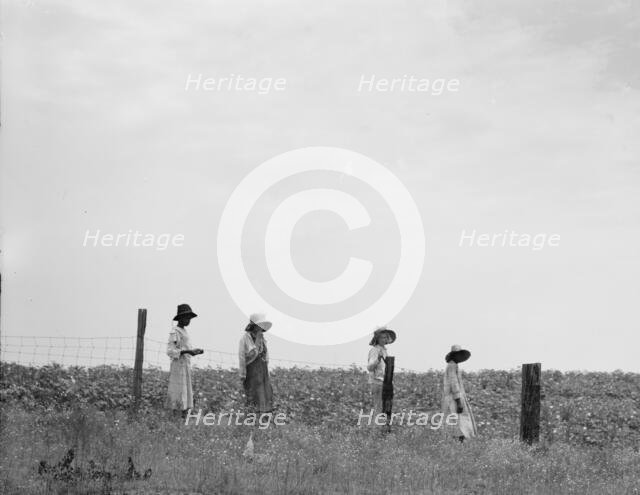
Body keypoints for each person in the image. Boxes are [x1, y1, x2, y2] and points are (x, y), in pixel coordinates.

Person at [166, 304, 203, 418]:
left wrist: (193, 351)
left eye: (189, 318)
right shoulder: (175, 331)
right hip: (178, 365)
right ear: (180, 318)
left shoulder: (184, 331)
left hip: (185, 365)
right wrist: (187, 352)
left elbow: (185, 348)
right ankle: (175, 416)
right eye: (186, 318)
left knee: (185, 390)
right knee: (178, 390)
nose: (188, 320)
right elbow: (170, 351)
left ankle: (183, 416)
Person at [238, 313, 273, 413]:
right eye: (259, 325)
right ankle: (253, 422)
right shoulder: (245, 339)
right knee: (254, 397)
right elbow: (246, 356)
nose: (261, 328)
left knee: (266, 396)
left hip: (263, 373)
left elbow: (266, 358)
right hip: (252, 373)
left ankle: (264, 421)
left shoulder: (263, 339)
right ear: (254, 326)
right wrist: (242, 374)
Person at [442, 344, 477, 442]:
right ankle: (459, 441)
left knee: (456, 420)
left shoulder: (452, 365)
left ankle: (458, 441)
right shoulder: (452, 365)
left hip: (452, 397)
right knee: (460, 421)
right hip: (454, 398)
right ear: (454, 355)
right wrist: (458, 401)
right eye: (458, 354)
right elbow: (454, 384)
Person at [367, 326, 396, 414]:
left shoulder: (384, 350)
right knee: (379, 408)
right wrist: (378, 359)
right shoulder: (375, 350)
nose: (385, 339)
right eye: (382, 337)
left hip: (384, 383)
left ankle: (382, 425)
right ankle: (377, 426)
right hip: (377, 383)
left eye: (386, 337)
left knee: (385, 407)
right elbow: (370, 367)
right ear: (378, 339)